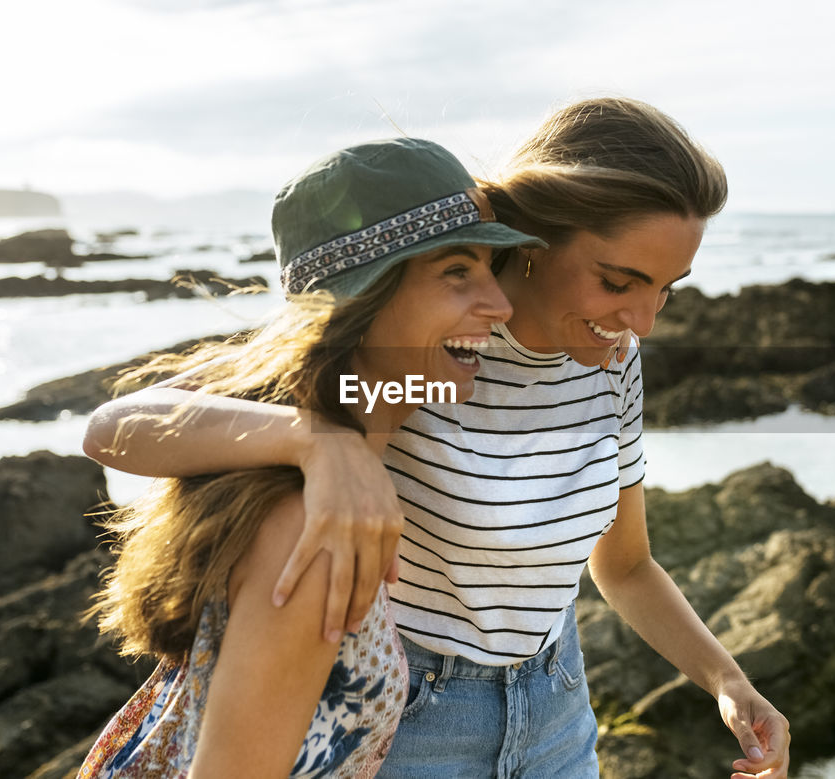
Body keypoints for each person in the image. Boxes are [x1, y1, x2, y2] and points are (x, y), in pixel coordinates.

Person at [85, 97, 790, 778]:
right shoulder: (433, 356)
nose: (644, 321)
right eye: (619, 282)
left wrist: (728, 681)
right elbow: (122, 427)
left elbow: (626, 565)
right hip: (414, 717)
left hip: (558, 709)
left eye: (668, 288)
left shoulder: (609, 367)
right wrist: (318, 441)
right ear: (539, 241)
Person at [77, 137, 543, 778]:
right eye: (456, 272)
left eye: (494, 269)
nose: (501, 304)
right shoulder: (313, 530)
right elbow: (110, 425)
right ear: (362, 299)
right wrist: (316, 445)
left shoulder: (372, 406)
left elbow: (117, 423)